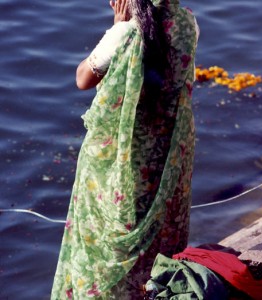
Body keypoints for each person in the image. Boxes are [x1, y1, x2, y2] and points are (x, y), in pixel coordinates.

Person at [51, 0, 199, 299]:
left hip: (121, 155)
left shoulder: (125, 34)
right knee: (156, 224)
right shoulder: (188, 25)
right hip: (166, 148)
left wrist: (117, 26)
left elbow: (83, 79)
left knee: (109, 227)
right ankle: (153, 287)